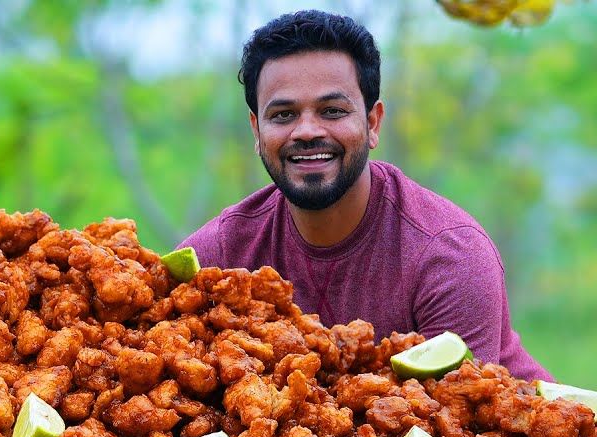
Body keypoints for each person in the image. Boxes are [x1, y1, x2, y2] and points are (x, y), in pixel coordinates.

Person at [176, 9, 551, 382]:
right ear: (257, 131)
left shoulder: (447, 254)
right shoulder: (219, 254)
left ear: (373, 123)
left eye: (332, 111)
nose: (307, 131)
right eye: (283, 115)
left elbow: (461, 413)